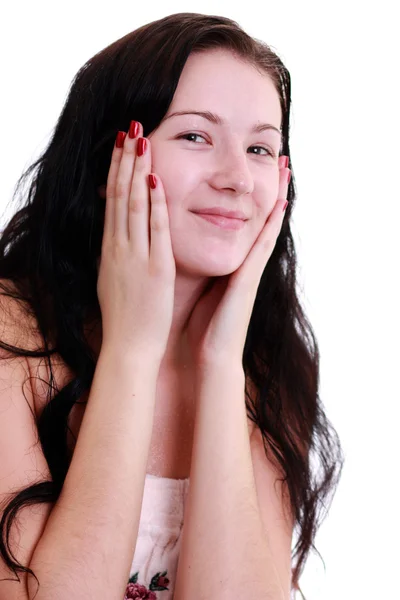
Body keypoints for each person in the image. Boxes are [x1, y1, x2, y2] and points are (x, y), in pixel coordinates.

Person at [0, 12, 344, 600]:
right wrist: (132, 351)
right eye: (194, 136)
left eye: (262, 148)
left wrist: (220, 365)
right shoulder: (12, 339)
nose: (238, 178)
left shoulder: (267, 365)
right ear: (112, 158)